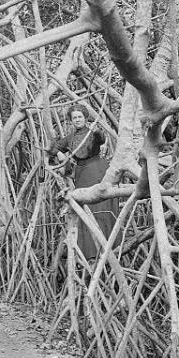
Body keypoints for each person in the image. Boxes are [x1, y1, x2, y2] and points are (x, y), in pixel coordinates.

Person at [49, 105, 120, 261]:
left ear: (85, 117)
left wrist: (97, 133)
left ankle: (108, 247)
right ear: (71, 120)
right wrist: (60, 153)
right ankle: (90, 252)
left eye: (80, 117)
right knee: (86, 210)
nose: (77, 120)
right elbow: (53, 147)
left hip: (97, 171)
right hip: (82, 175)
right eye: (74, 117)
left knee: (100, 207)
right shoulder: (71, 137)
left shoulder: (92, 133)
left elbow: (100, 139)